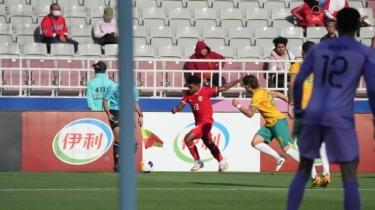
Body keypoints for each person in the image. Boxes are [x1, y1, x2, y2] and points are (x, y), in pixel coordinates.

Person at [287, 8, 375, 210]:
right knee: (349, 173)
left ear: (336, 25)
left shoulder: (318, 50)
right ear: (356, 27)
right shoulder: (364, 52)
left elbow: (298, 83)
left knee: (303, 169)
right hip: (340, 113)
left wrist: (299, 112)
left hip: (313, 110)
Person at [171, 75, 242, 172]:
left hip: (206, 123)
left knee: (187, 139)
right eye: (188, 87)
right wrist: (176, 109)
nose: (189, 89)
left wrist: (237, 80)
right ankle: (222, 162)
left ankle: (198, 161)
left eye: (191, 87)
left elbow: (223, 87)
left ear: (197, 85)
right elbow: (181, 104)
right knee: (209, 143)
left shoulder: (205, 91)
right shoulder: (188, 94)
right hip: (199, 123)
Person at [232, 75, 302, 172]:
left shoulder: (256, 95)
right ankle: (279, 157)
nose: (245, 88)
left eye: (244, 86)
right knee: (255, 142)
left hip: (277, 121)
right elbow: (278, 94)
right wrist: (290, 104)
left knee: (287, 148)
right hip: (270, 123)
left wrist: (238, 105)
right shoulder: (263, 90)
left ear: (248, 86)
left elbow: (250, 114)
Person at [288, 41, 331, 188]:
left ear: (302, 52)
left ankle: (314, 177)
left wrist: (290, 103)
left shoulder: (296, 66)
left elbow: (293, 85)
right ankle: (326, 172)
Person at [103, 83, 143, 172]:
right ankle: (116, 164)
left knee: (134, 138)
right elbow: (105, 100)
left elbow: (135, 102)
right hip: (115, 112)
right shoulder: (113, 86)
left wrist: (140, 115)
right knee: (119, 136)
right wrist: (108, 114)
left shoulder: (132, 88)